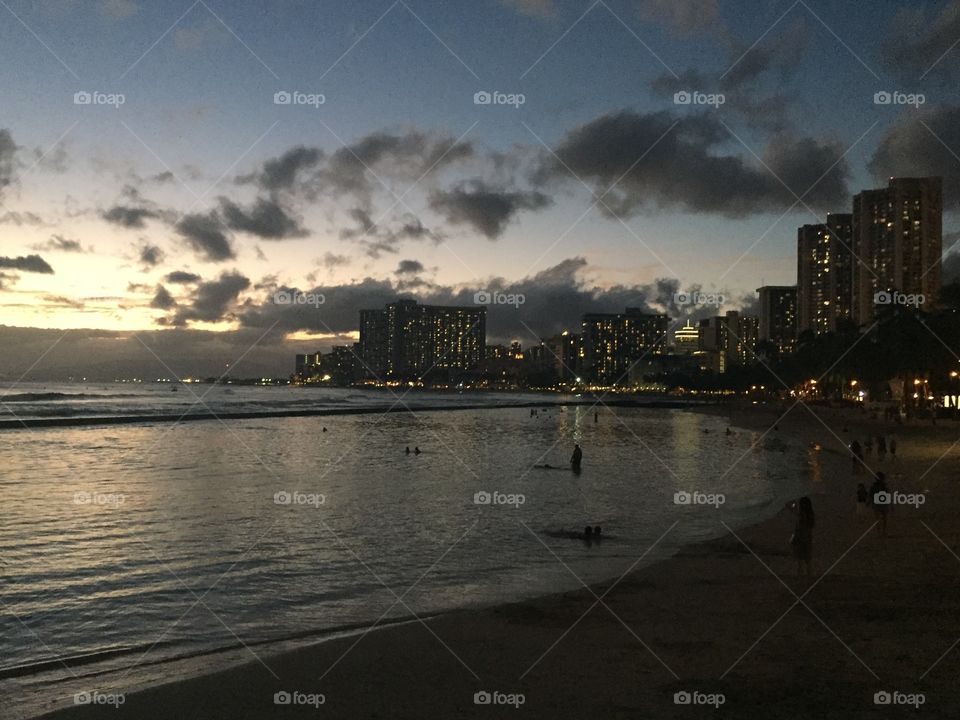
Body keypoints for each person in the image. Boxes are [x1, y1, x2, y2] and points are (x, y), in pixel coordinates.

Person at [788, 497, 815, 577]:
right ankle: (809, 576)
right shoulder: (811, 515)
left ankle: (801, 577)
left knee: (800, 560)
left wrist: (793, 538)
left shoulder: (801, 515)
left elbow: (798, 528)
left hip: (800, 538)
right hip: (808, 538)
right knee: (808, 560)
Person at [868, 472, 890, 537]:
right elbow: (887, 495)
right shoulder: (884, 486)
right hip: (882, 503)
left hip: (878, 504)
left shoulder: (875, 486)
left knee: (879, 519)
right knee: (883, 519)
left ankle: (880, 532)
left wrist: (869, 502)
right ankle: (882, 532)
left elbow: (870, 495)